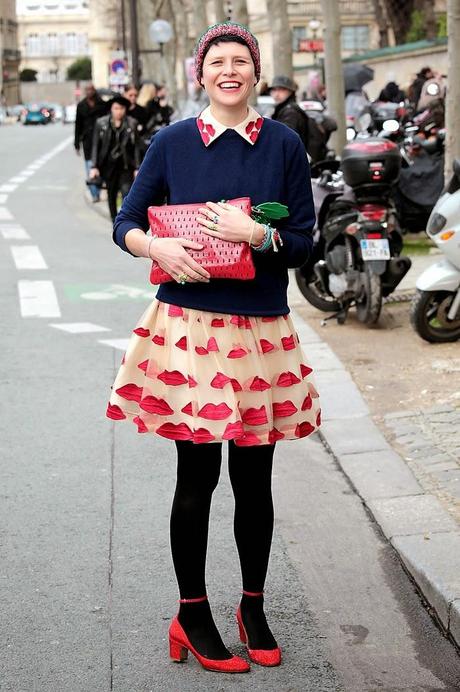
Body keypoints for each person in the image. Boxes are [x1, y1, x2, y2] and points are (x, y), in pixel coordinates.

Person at [106, 21, 320, 674]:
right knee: (195, 477)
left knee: (255, 482)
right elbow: (126, 221)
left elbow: (306, 241)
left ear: (255, 72)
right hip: (190, 330)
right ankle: (192, 611)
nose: (230, 71)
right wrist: (157, 247)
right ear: (201, 75)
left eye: (241, 61)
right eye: (218, 62)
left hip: (259, 331)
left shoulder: (283, 141)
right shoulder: (172, 141)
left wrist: (255, 233)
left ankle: (252, 606)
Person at [90, 95, 140, 222]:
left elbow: (136, 148)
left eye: (121, 108)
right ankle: (114, 220)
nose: (119, 111)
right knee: (111, 194)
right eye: (116, 108)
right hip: (108, 166)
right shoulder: (101, 123)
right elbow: (96, 145)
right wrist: (94, 166)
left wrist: (137, 167)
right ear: (111, 109)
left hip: (126, 165)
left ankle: (125, 220)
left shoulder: (132, 123)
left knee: (126, 193)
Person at [74, 83, 109, 203]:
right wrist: (77, 144)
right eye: (87, 90)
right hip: (87, 141)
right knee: (89, 166)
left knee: (101, 166)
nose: (89, 92)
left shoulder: (102, 105)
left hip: (101, 140)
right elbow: (78, 125)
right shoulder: (81, 106)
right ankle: (94, 193)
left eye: (91, 90)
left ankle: (98, 190)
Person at [269, 75, 310, 153]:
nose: (276, 94)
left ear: (290, 92)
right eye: (274, 90)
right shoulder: (282, 109)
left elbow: (285, 139)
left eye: (281, 90)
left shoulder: (291, 112)